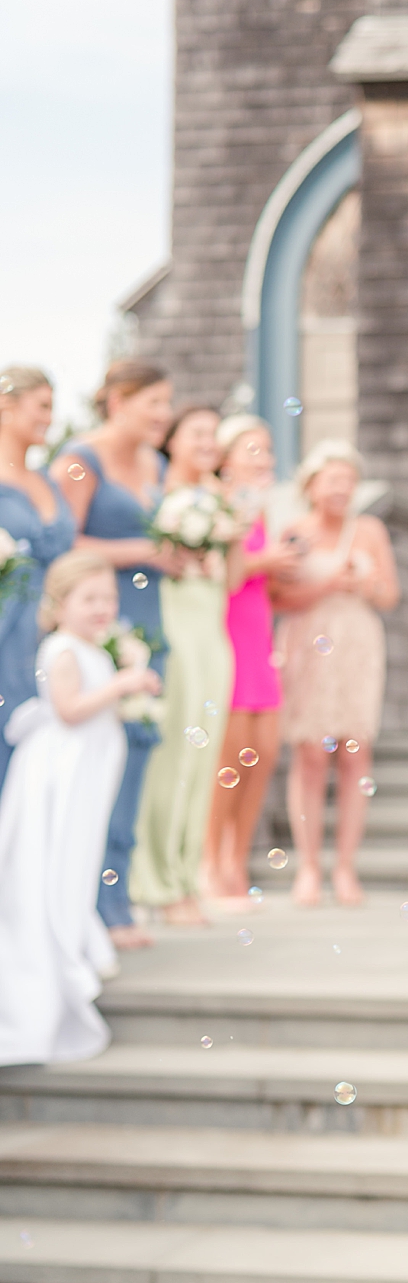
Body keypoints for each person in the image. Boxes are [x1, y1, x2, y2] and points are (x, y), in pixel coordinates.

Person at [0, 551, 161, 1064]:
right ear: (59, 603)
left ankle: (76, 933)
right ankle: (56, 951)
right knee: (57, 862)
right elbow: (68, 711)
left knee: (79, 861)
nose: (102, 608)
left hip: (86, 776)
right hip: (61, 779)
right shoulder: (63, 649)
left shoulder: (96, 648)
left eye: (108, 598)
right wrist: (122, 686)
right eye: (89, 599)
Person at [56, 360, 184, 950]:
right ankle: (92, 904)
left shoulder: (158, 465)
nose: (164, 416)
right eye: (154, 403)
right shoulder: (82, 459)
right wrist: (143, 550)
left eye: (166, 404)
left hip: (151, 622)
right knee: (99, 761)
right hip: (100, 624)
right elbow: (63, 543)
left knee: (137, 751)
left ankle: (119, 894)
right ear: (118, 401)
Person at [272, 439, 399, 908]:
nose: (342, 488)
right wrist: (327, 583)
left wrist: (363, 582)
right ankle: (308, 867)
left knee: (354, 754)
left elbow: (389, 596)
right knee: (309, 754)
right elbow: (277, 601)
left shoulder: (369, 531)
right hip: (308, 642)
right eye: (333, 479)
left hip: (357, 644)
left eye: (349, 480)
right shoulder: (294, 531)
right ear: (312, 485)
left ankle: (345, 868)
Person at [129, 406, 235, 925]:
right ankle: (154, 881)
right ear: (171, 440)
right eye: (197, 433)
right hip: (172, 626)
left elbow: (232, 581)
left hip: (213, 631)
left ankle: (188, 876)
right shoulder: (152, 494)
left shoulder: (220, 500)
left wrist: (232, 528)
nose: (208, 443)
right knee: (172, 755)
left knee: (203, 757)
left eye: (214, 435)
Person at [202, 415, 299, 905]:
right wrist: (266, 561)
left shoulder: (265, 511)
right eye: (252, 449)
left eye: (267, 449)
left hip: (261, 635)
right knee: (228, 756)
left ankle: (236, 861)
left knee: (261, 755)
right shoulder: (214, 507)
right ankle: (210, 862)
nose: (263, 458)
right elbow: (226, 578)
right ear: (226, 458)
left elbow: (271, 587)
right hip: (227, 632)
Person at [0, 366, 75, 797]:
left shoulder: (47, 480)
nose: (50, 417)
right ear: (6, 407)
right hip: (8, 626)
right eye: (42, 406)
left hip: (49, 634)